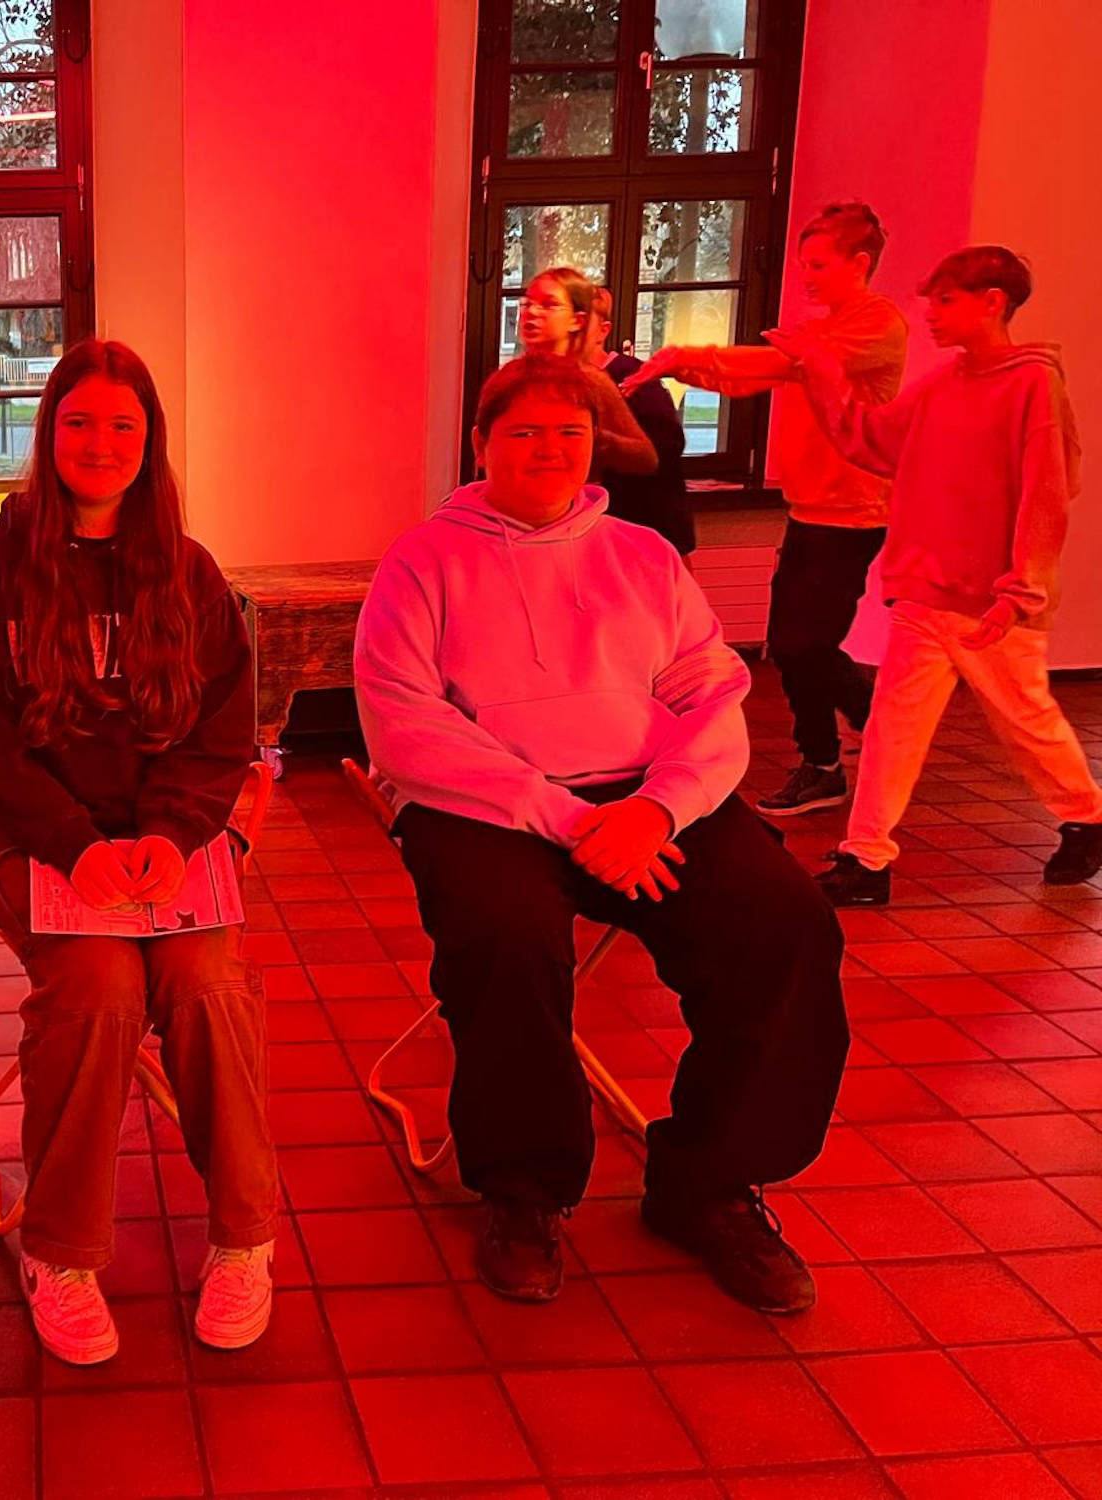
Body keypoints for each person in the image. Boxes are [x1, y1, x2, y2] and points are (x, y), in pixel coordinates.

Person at [354, 354, 848, 1314]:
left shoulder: (644, 557)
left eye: (569, 433)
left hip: (645, 798)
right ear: (481, 445)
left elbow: (713, 694)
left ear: (594, 446)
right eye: (524, 432)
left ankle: (707, 1183)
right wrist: (570, 819)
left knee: (784, 924)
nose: (549, 450)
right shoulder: (422, 561)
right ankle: (524, 1190)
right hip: (488, 803)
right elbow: (405, 726)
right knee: (505, 939)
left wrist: (659, 808)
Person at [0, 338, 277, 1365]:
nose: (100, 442)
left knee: (207, 983)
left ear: (149, 440)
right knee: (96, 985)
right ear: (48, 434)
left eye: (123, 425)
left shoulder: (188, 569)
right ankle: (61, 1252)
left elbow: (221, 732)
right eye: (79, 421)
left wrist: (171, 835)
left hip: (166, 842)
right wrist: (74, 844)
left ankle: (245, 1240)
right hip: (33, 835)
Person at [766, 247, 1102, 906]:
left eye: (947, 301)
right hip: (925, 593)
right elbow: (871, 439)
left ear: (993, 302)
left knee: (1026, 723)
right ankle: (865, 859)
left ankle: (1088, 817)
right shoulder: (945, 382)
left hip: (992, 604)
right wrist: (821, 369)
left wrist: (1021, 590)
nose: (932, 315)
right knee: (892, 729)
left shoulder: (1034, 384)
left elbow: (1047, 491)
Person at [629, 202, 909, 814]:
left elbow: (782, 363)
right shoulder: (822, 331)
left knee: (802, 645)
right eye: (804, 263)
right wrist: (682, 364)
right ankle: (836, 755)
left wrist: (689, 356)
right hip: (810, 513)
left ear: (859, 263)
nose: (806, 275)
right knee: (793, 646)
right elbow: (756, 375)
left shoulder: (876, 325)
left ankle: (869, 731)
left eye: (819, 264)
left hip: (853, 516)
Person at [514, 267, 664, 521]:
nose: (532, 312)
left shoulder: (590, 381)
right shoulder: (513, 378)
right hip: (518, 512)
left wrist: (594, 439)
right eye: (528, 304)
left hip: (573, 517)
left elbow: (646, 457)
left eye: (549, 305)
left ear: (577, 321)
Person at [589, 286, 695, 556]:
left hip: (649, 523)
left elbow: (667, 448)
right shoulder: (552, 378)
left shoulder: (633, 376)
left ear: (603, 330)